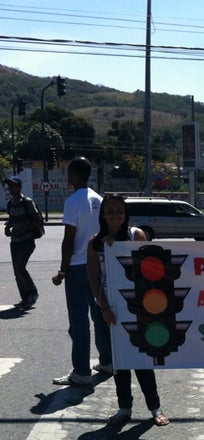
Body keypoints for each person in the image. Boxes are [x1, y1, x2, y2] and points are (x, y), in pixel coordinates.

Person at [87, 195, 170, 426]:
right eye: (110, 211)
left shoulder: (137, 235)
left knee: (142, 359)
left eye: (119, 211)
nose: (115, 215)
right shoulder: (95, 242)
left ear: (125, 214)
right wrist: (104, 307)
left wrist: (122, 249)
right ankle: (124, 407)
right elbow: (94, 278)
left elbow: (148, 269)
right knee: (120, 362)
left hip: (138, 308)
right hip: (110, 310)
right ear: (103, 215)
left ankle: (155, 407)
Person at [52, 157, 112, 386]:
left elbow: (69, 240)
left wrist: (62, 270)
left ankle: (81, 372)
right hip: (98, 265)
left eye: (69, 172)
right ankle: (107, 361)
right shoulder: (98, 199)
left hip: (77, 267)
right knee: (99, 316)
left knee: (78, 322)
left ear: (75, 174)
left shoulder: (73, 201)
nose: (68, 177)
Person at [3, 176, 41, 309]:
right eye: (9, 186)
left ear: (19, 187)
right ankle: (25, 298)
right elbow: (12, 219)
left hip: (27, 241)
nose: (11, 188)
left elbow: (36, 221)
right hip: (15, 242)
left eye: (13, 186)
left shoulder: (27, 202)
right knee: (16, 271)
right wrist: (8, 228)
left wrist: (21, 231)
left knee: (20, 268)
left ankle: (33, 293)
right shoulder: (10, 203)